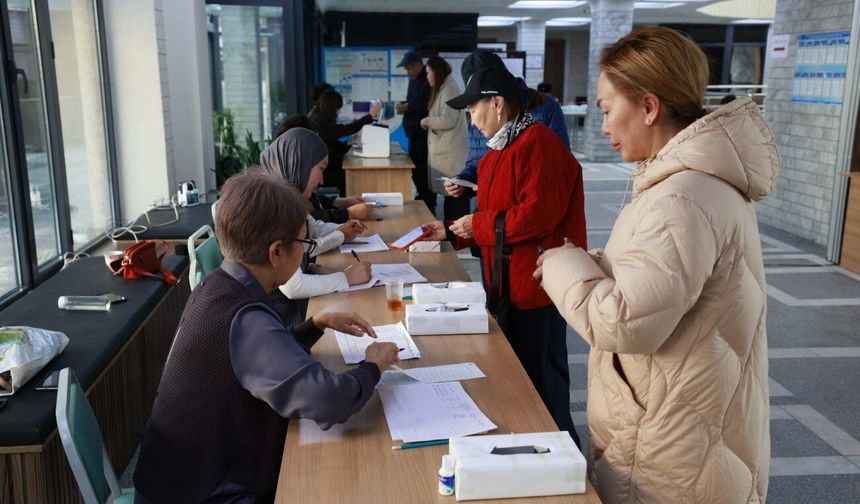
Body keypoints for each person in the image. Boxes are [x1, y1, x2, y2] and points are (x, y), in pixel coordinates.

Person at [533, 27, 777, 504]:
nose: (602, 126)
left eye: (606, 109)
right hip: (687, 429)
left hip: (673, 456)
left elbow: (626, 321)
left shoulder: (680, 197)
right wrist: (596, 263)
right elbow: (667, 282)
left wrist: (565, 265)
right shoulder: (690, 185)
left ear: (648, 106)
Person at [134, 172, 400, 503]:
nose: (305, 251)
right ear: (276, 252)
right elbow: (330, 401)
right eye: (303, 244)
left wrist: (315, 324)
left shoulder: (217, 284)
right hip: (206, 492)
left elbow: (253, 359)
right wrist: (373, 365)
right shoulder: (245, 318)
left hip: (178, 478)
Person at [422, 65, 586, 446]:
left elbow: (536, 216)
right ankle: (535, 453)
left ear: (497, 104)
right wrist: (449, 231)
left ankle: (565, 458)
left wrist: (474, 226)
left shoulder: (538, 144)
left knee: (543, 384)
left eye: (473, 109)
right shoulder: (497, 152)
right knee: (519, 381)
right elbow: (493, 214)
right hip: (504, 284)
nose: (471, 119)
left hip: (536, 287)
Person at [260, 128, 373, 304]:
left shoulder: (288, 200)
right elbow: (293, 286)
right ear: (300, 165)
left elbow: (312, 230)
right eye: (320, 168)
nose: (322, 181)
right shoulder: (275, 208)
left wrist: (342, 231)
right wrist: (346, 278)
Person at [443, 50, 569, 206]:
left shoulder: (542, 116)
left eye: (475, 107)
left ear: (496, 102)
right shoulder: (480, 119)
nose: (474, 122)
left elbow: (559, 171)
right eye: (471, 109)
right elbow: (475, 165)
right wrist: (463, 182)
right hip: (495, 213)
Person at [273, 113, 374, 223]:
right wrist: (349, 213)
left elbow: (312, 200)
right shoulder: (279, 188)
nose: (321, 181)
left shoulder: (287, 170)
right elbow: (310, 221)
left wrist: (340, 202)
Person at [420, 56, 468, 225]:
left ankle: (457, 234)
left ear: (436, 73)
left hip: (451, 155)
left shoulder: (449, 89)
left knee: (455, 199)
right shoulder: (444, 88)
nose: (427, 77)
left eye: (428, 73)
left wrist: (426, 121)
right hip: (447, 153)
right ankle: (453, 232)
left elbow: (448, 120)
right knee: (451, 199)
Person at [309, 89, 382, 195]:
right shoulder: (319, 124)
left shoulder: (319, 119)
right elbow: (346, 129)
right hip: (325, 171)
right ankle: (348, 206)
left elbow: (330, 143)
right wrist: (370, 116)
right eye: (337, 109)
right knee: (351, 176)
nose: (337, 113)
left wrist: (346, 144)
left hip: (328, 165)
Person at [396, 51, 435, 213]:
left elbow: (428, 107)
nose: (408, 71)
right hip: (413, 135)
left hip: (423, 136)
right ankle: (422, 200)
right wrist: (405, 104)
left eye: (409, 68)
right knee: (415, 172)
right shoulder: (413, 81)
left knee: (423, 173)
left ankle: (428, 206)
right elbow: (413, 102)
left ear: (418, 64)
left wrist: (409, 107)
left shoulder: (428, 80)